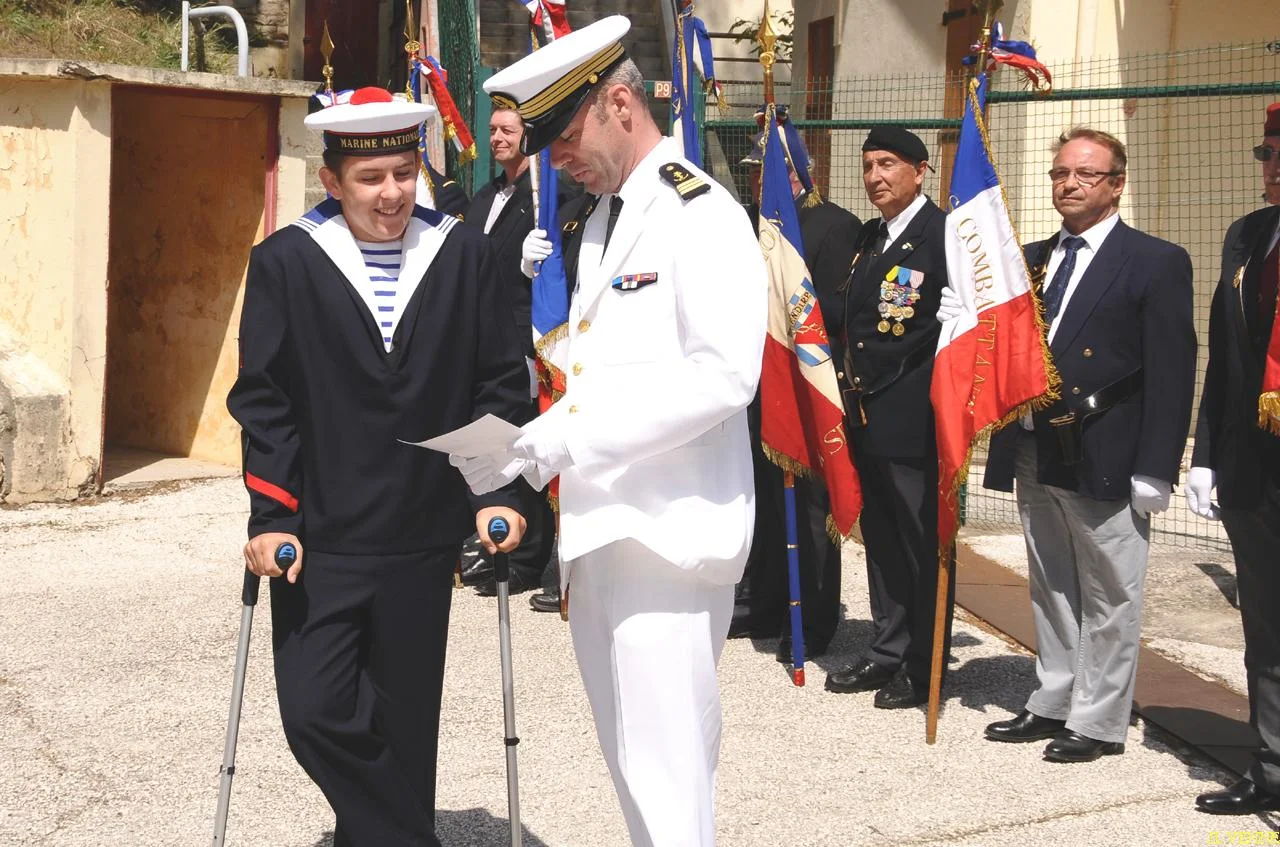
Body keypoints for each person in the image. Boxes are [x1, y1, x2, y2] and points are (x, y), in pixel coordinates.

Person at [454, 16, 768, 845]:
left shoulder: (699, 213)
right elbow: (599, 370)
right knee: (637, 769)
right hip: (604, 534)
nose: (549, 155)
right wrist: (529, 441)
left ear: (619, 103)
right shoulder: (599, 221)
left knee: (668, 775)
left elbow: (725, 373)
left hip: (666, 537)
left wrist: (568, 440)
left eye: (560, 134)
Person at [226, 87, 530, 846]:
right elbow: (264, 398)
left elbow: (496, 380)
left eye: (403, 172)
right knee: (314, 710)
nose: (391, 193)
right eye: (371, 179)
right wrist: (272, 514)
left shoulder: (464, 255)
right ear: (333, 181)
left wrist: (497, 491)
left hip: (421, 534)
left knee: (405, 722)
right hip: (320, 536)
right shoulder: (286, 261)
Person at [974, 127, 1196, 763]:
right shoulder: (1034, 257)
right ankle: (1053, 697)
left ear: (1116, 184)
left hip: (1108, 445)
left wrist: (1158, 466)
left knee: (1110, 589)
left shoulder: (1154, 260)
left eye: (1085, 175)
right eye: (1060, 174)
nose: (1068, 185)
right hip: (1036, 442)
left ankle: (1098, 721)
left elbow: (1173, 368)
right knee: (1050, 580)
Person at [822, 126, 954, 709]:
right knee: (880, 538)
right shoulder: (872, 235)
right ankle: (887, 647)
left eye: (890, 165)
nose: (876, 177)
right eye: (869, 165)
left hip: (914, 414)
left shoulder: (944, 235)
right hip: (865, 410)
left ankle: (926, 662)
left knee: (920, 541)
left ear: (920, 170)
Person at [733, 119, 862, 661]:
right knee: (760, 501)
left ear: (796, 172)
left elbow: (836, 309)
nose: (760, 183)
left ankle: (811, 616)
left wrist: (790, 308)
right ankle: (765, 602)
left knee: (810, 510)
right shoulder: (748, 224)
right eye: (753, 174)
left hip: (809, 383)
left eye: (769, 172)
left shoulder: (834, 225)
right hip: (757, 384)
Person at [1187, 102, 1280, 814]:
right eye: (1266, 151)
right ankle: (1272, 765)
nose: (1270, 166)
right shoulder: (1248, 236)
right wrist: (1208, 452)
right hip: (1256, 468)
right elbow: (1226, 358)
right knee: (1267, 625)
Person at [457, 104, 558, 598]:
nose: (496, 138)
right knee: (487, 443)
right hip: (480, 335)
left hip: (524, 337)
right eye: (492, 129)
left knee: (526, 445)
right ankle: (490, 540)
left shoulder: (545, 198)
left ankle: (532, 556)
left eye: (507, 130)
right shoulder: (486, 196)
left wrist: (530, 269)